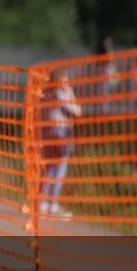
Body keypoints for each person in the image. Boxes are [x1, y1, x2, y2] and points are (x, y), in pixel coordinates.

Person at [38, 68, 81, 217]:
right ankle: (52, 204)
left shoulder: (45, 93)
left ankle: (42, 202)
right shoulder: (60, 94)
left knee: (49, 169)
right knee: (60, 169)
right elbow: (76, 111)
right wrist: (70, 94)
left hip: (47, 133)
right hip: (60, 133)